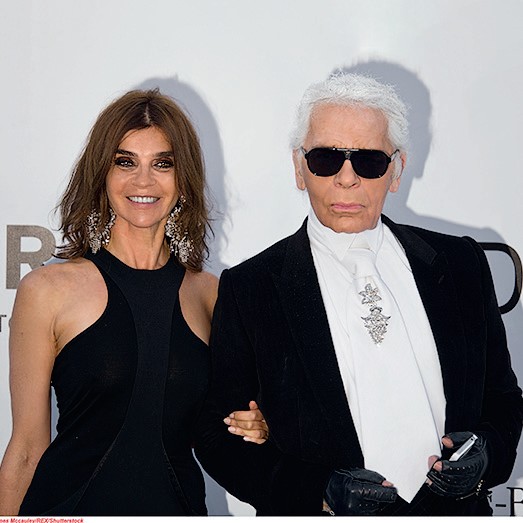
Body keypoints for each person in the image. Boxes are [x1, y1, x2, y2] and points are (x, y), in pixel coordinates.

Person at [194, 73, 523, 516]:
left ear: (396, 171)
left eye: (368, 161)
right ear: (298, 168)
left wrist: (486, 456)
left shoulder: (460, 264)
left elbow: (503, 400)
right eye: (326, 159)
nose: (346, 179)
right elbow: (217, 437)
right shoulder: (251, 288)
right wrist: (319, 491)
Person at [0, 89, 267, 516]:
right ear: (101, 174)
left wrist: (260, 425)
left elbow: (225, 428)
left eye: (163, 163)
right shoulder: (47, 290)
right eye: (125, 162)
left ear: (183, 178)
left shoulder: (210, 293)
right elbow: (27, 449)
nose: (143, 181)